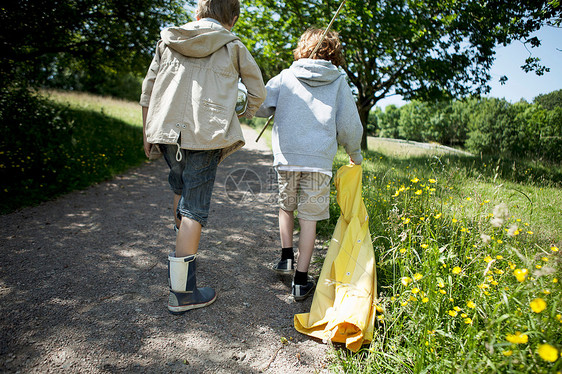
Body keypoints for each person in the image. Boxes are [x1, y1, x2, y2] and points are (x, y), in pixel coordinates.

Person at [139, 0, 266, 314]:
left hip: (168, 132)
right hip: (206, 134)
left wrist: (146, 131)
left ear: (197, 14)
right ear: (232, 19)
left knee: (180, 189)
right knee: (194, 207)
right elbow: (257, 91)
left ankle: (183, 253)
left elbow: (148, 89)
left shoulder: (168, 40)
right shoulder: (233, 46)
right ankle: (182, 292)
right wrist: (242, 113)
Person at [255, 28, 363, 301]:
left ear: (303, 48)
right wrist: (355, 152)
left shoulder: (286, 76)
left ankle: (286, 256)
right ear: (334, 52)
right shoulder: (338, 81)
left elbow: (259, 105)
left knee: (285, 206)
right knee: (310, 218)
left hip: (288, 157)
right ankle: (301, 281)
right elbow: (349, 124)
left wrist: (273, 106)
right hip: (318, 161)